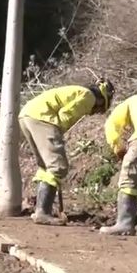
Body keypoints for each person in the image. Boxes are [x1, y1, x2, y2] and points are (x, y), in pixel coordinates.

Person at [19, 79, 114, 225]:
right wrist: (57, 134)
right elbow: (66, 114)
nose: (96, 111)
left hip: (28, 115)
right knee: (58, 166)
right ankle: (42, 212)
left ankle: (41, 210)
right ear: (103, 99)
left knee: (46, 165)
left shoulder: (78, 90)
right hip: (43, 118)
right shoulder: (89, 96)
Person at [99, 83, 137, 236]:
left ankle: (125, 223)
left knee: (128, 180)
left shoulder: (133, 100)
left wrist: (118, 147)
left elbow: (111, 124)